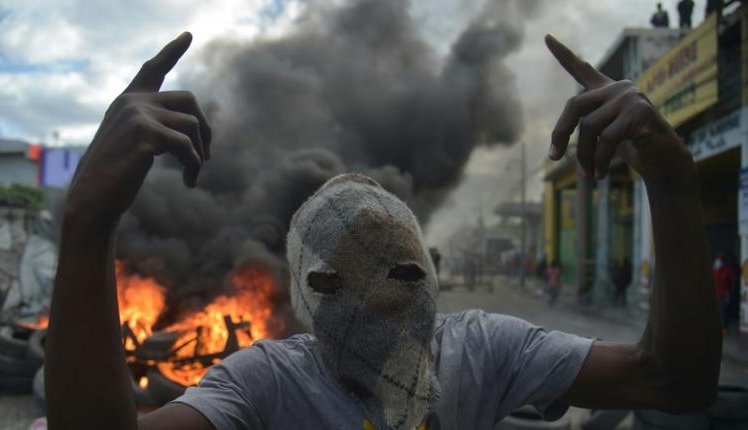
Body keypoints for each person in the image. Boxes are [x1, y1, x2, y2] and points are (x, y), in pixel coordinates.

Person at [46, 32, 722, 430]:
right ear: (304, 300)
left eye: (397, 271)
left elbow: (673, 382)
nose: (374, 299)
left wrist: (671, 180)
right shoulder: (266, 383)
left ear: (428, 266)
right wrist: (89, 224)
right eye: (334, 279)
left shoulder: (482, 351)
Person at [713, 253, 736, 332]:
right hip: (717, 294)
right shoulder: (715, 270)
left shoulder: (727, 270)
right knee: (718, 311)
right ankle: (719, 328)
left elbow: (731, 282)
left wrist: (728, 293)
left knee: (724, 311)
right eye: (718, 259)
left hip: (725, 295)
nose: (718, 261)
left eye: (720, 260)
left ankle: (724, 328)